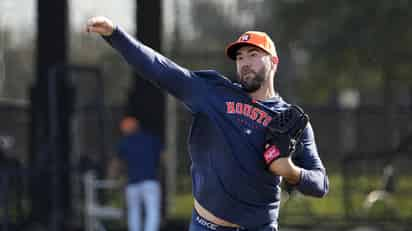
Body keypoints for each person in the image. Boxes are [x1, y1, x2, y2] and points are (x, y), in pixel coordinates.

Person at [86, 16, 329, 231]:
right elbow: (161, 70)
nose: (244, 62)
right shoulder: (214, 94)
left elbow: (320, 184)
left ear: (273, 61)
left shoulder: (291, 120)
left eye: (253, 55)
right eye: (240, 57)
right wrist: (116, 35)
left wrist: (291, 172)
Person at [116, 116, 164, 231]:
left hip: (132, 183)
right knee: (153, 211)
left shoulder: (124, 142)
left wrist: (116, 176)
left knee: (133, 213)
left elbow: (118, 163)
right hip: (150, 181)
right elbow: (163, 158)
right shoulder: (151, 139)